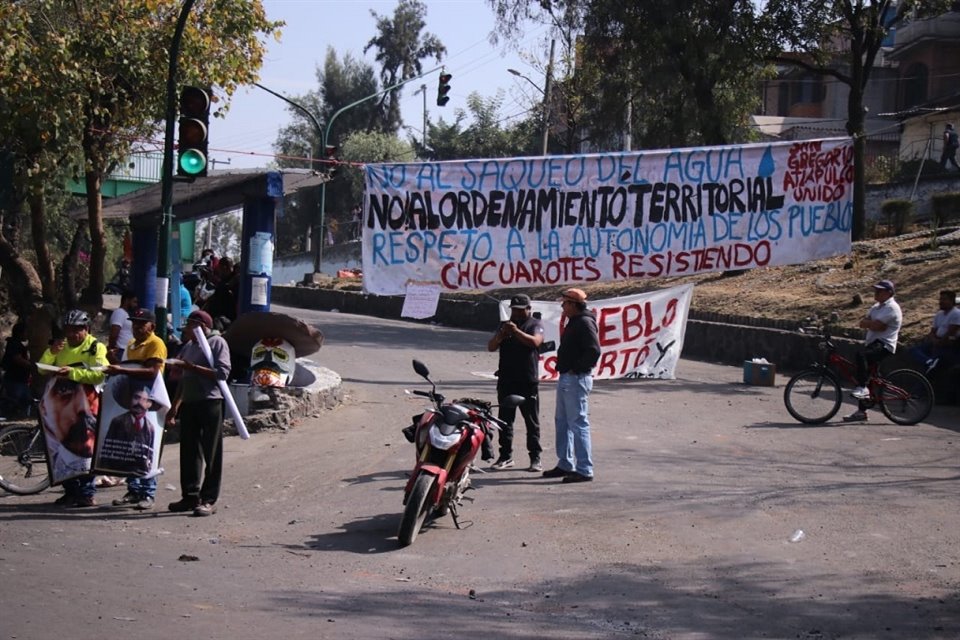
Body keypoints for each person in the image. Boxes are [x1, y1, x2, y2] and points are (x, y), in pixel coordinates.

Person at [38, 309, 109, 507]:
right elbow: (42, 368)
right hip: (61, 404)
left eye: (76, 330)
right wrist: (51, 353)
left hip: (86, 405)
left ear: (86, 329)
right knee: (63, 445)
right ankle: (70, 491)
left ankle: (86, 493)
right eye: (68, 330)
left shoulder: (96, 347)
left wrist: (73, 373)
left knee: (86, 448)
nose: (71, 335)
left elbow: (99, 375)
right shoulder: (61, 347)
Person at [164, 310, 231, 517]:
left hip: (210, 401)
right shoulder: (190, 346)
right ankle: (190, 495)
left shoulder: (217, 343)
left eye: (191, 326)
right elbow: (184, 379)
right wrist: (175, 406)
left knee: (211, 450)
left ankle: (209, 498)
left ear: (202, 326)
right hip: (191, 402)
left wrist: (192, 367)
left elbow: (222, 373)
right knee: (189, 450)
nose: (187, 331)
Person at [104, 308, 167, 510]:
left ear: (152, 326)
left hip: (149, 401)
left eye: (142, 323)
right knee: (130, 449)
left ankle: (148, 493)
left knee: (147, 449)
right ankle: (133, 490)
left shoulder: (156, 343)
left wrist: (121, 369)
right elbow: (129, 371)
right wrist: (114, 361)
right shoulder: (131, 344)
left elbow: (151, 371)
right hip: (131, 400)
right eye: (135, 323)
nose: (137, 327)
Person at [543, 288, 601, 483]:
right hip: (567, 377)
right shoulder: (576, 321)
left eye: (565, 303)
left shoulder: (584, 322)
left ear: (573, 304)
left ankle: (584, 469)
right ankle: (565, 463)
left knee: (577, 423)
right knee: (562, 421)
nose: (562, 306)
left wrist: (577, 368)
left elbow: (593, 351)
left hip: (575, 378)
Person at [487, 294, 545, 472]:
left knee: (531, 422)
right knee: (504, 421)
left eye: (521, 310)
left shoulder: (535, 324)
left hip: (527, 381)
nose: (517, 313)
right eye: (514, 310)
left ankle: (535, 458)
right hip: (506, 381)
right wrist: (502, 334)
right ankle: (505, 456)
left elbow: (535, 342)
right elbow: (491, 346)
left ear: (529, 309)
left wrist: (516, 332)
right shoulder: (505, 325)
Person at [844, 280, 903, 422]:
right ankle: (861, 411)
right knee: (865, 373)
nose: (876, 293)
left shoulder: (892, 308)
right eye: (875, 290)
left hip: (884, 345)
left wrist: (870, 324)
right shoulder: (876, 307)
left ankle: (863, 388)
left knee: (861, 357)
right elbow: (862, 323)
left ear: (889, 293)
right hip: (873, 344)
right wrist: (871, 324)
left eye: (879, 291)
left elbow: (879, 327)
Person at [100, 380, 158, 476]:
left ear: (149, 404)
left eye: (144, 400)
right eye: (136, 398)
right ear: (130, 399)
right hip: (119, 468)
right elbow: (106, 451)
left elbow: (150, 454)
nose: (139, 403)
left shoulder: (150, 428)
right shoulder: (118, 421)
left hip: (141, 470)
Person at [908, 290, 960, 372]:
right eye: (940, 299)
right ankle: (929, 362)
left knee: (933, 367)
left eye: (944, 299)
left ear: (952, 301)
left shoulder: (956, 314)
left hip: (948, 343)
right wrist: (934, 340)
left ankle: (931, 364)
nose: (941, 302)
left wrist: (939, 343)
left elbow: (951, 333)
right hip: (936, 340)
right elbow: (933, 331)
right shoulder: (939, 314)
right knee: (913, 350)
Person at [1, 323, 33, 416]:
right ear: (20, 333)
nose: (28, 334)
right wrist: (32, 366)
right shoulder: (14, 344)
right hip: (14, 379)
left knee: (26, 400)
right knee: (14, 401)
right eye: (26, 332)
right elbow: (17, 359)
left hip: (20, 380)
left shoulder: (17, 344)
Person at [107, 290, 137, 364]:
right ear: (126, 300)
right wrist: (113, 349)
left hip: (127, 350)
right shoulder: (119, 313)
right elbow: (114, 333)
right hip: (120, 350)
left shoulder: (126, 314)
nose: (135, 305)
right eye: (134, 302)